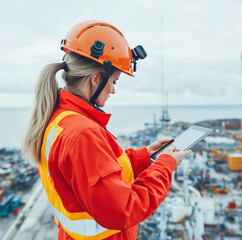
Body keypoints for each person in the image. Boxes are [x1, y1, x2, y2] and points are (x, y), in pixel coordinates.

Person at [22, 20, 191, 240]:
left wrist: (144, 157)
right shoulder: (83, 133)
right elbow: (124, 209)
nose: (113, 91)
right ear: (96, 79)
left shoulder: (60, 119)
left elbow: (94, 173)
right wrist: (165, 165)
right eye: (114, 82)